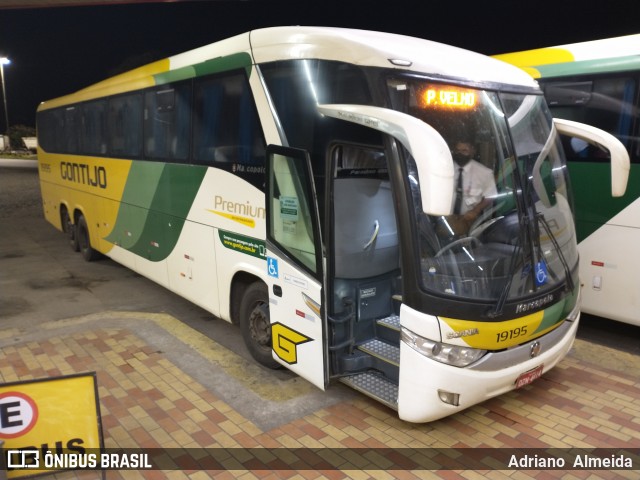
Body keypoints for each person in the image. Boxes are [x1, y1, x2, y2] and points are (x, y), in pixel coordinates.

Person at [446, 140, 497, 235]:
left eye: (464, 150)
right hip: (446, 219)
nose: (460, 154)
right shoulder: (445, 168)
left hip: (469, 220)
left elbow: (491, 195)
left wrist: (476, 210)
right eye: (458, 150)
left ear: (473, 151)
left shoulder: (484, 173)